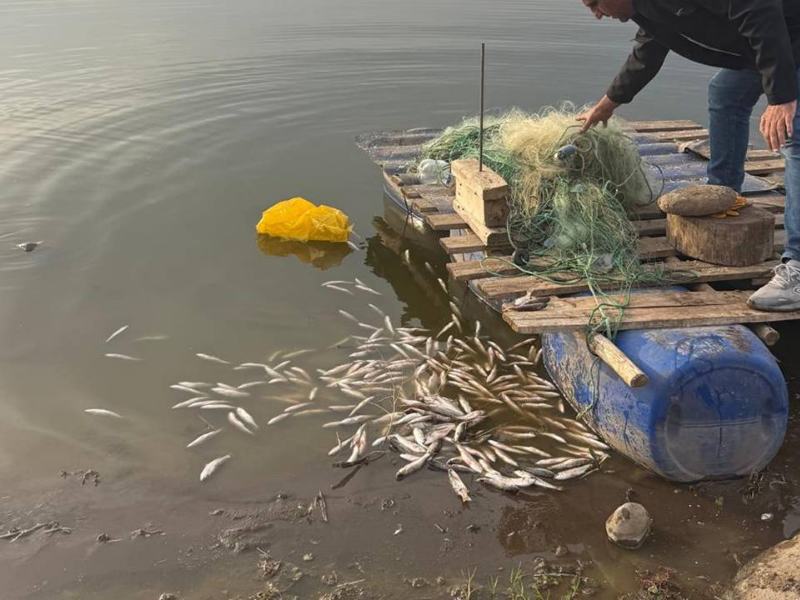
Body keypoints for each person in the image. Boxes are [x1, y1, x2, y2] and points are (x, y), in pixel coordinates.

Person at [577, 0, 800, 311]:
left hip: (788, 37)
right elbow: (648, 52)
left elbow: (759, 7)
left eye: (595, 4)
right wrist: (607, 104)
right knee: (725, 93)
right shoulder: (647, 9)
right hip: (776, 43)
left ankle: (798, 268)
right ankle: (722, 194)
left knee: (794, 137)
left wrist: (781, 97)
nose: (598, 14)